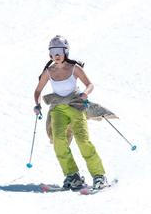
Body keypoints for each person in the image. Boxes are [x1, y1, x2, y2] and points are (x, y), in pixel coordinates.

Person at [32, 35, 108, 190]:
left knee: (82, 140)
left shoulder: (74, 68)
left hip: (75, 105)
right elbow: (38, 90)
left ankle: (99, 175)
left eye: (59, 51)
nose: (57, 55)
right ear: (50, 54)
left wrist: (85, 94)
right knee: (59, 141)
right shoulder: (49, 71)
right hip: (58, 109)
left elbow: (89, 84)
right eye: (53, 52)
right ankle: (72, 176)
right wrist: (37, 104)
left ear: (66, 51)